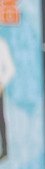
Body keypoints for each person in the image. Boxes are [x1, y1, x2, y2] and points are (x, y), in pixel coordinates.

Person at [0, 17, 12, 161]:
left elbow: (10, 68)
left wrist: (2, 82)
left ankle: (5, 149)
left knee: (0, 119)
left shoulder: (1, 44)